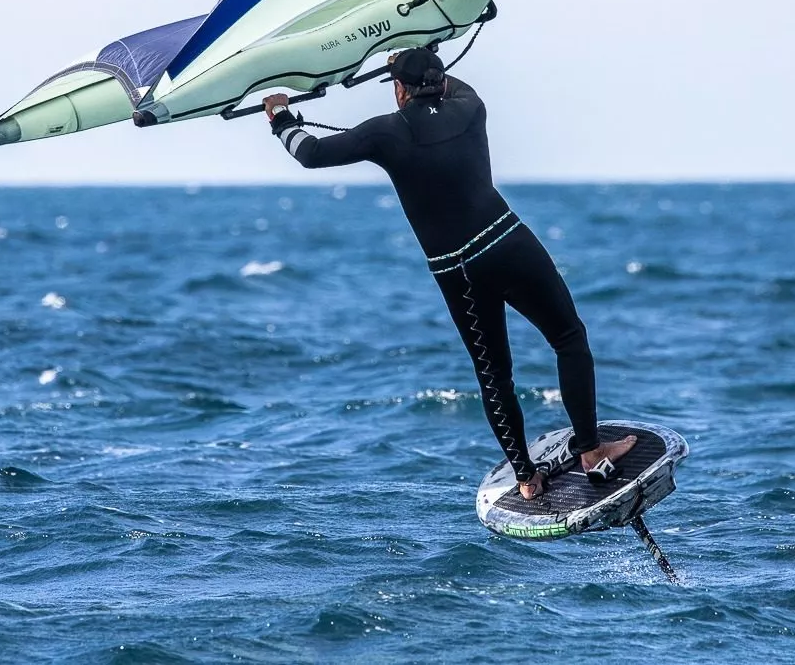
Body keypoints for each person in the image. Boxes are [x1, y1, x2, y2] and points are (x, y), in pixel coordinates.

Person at [262, 47, 635, 499]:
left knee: (494, 373)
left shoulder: (386, 131)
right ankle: (592, 452)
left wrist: (280, 116)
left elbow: (311, 153)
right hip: (508, 241)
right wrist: (424, 48)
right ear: (440, 80)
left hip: (458, 269)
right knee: (569, 338)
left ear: (399, 91)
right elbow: (450, 85)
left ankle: (527, 478)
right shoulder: (471, 107)